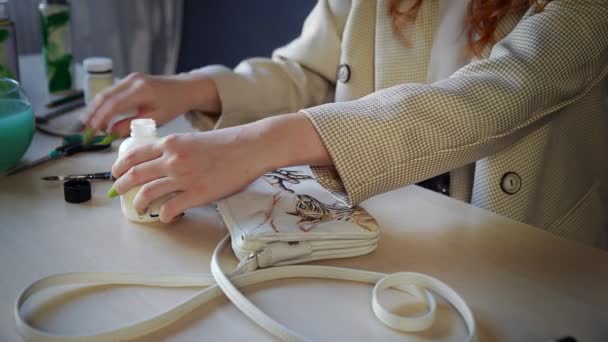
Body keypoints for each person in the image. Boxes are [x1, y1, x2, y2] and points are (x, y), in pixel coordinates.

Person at [82, 0, 608, 247]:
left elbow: (487, 100)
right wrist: (196, 88)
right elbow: (306, 70)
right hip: (381, 237)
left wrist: (256, 144)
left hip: (534, 262)